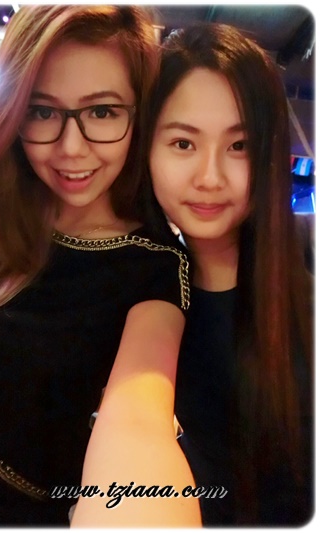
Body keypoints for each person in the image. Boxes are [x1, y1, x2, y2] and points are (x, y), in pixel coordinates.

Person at [0, 5, 201, 527]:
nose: (71, 149)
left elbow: (139, 425)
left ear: (138, 116)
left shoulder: (154, 268)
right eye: (42, 111)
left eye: (102, 112)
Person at [145, 22, 313, 526]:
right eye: (183, 143)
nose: (210, 177)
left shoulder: (305, 299)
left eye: (239, 146)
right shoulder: (139, 298)